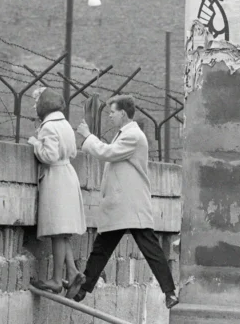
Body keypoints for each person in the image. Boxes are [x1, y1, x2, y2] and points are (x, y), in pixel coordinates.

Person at [67, 94, 179, 309]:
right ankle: (82, 290)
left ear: (123, 114)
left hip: (131, 205)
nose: (109, 116)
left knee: (150, 249)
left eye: (112, 112)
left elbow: (106, 153)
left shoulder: (133, 136)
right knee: (102, 247)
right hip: (122, 205)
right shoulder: (125, 134)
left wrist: (88, 136)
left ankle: (169, 292)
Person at [27, 87, 87, 294]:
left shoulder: (48, 127)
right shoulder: (65, 125)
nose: (34, 106)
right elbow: (72, 152)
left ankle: (56, 279)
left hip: (56, 179)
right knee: (62, 232)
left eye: (36, 102)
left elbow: (49, 156)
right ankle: (72, 272)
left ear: (44, 105)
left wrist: (35, 143)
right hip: (68, 175)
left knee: (57, 231)